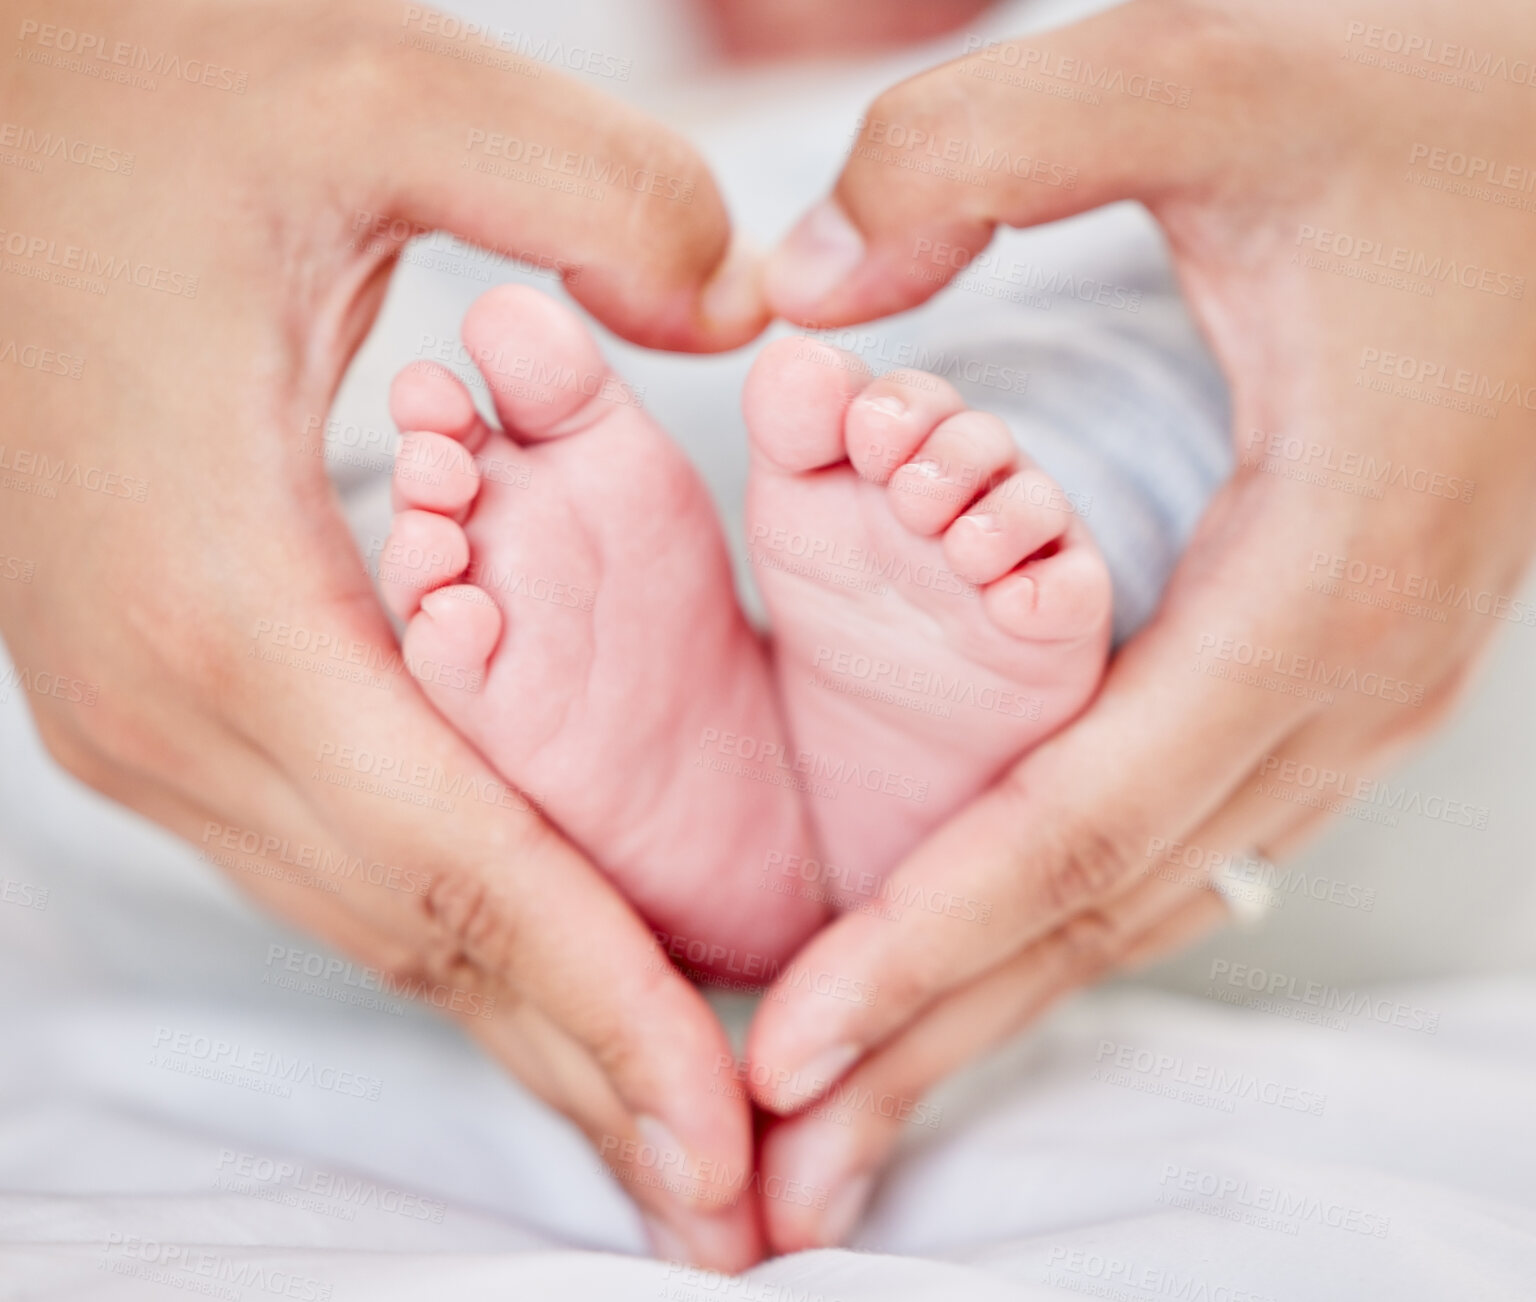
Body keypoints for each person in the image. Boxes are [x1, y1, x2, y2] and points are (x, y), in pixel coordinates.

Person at [2, 0, 1533, 1271]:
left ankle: (1014, 565)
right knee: (257, 398)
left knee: (1178, 345)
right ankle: (1001, 548)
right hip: (286, 231)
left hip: (1315, 301)